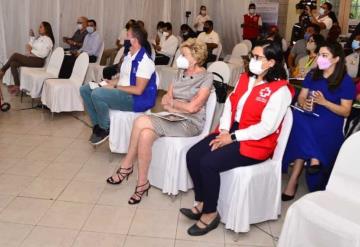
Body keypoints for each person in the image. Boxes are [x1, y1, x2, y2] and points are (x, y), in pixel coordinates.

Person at [181, 40, 294, 236]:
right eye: (252, 56)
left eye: (258, 57)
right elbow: (230, 106)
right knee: (193, 155)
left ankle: (210, 214)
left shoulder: (280, 91)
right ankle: (201, 202)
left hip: (256, 141)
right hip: (232, 131)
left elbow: (267, 128)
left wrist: (232, 137)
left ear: (272, 63)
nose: (253, 60)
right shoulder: (245, 79)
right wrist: (224, 130)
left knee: (208, 163)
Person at [106, 38, 213, 205]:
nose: (180, 58)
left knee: (141, 121)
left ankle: (126, 166)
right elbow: (164, 99)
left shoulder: (206, 77)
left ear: (196, 57)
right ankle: (142, 183)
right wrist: (176, 106)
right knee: (145, 135)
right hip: (172, 116)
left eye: (184, 55)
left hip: (190, 123)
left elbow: (193, 109)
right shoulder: (180, 73)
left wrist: (175, 105)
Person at [282, 41, 355, 200]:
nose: (319, 59)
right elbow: (302, 96)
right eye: (319, 55)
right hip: (310, 114)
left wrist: (325, 103)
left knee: (305, 127)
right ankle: (314, 160)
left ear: (335, 59)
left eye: (324, 55)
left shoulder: (345, 81)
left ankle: (294, 179)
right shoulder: (312, 74)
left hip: (330, 119)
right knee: (298, 118)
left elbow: (345, 111)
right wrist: (305, 103)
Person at [80, 23, 157, 145]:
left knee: (97, 94)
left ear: (135, 40)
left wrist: (115, 86)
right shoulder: (129, 56)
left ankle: (105, 128)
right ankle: (97, 126)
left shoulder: (145, 61)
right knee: (85, 89)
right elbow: (124, 77)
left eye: (127, 36)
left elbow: (138, 90)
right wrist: (110, 82)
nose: (124, 39)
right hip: (122, 90)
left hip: (135, 99)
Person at [0, 21, 54, 95]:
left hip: (38, 61)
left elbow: (43, 54)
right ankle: (17, 86)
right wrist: (32, 37)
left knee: (15, 55)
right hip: (33, 59)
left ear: (46, 29)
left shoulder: (48, 40)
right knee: (13, 64)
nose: (39, 28)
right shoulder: (40, 38)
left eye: (41, 27)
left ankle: (2, 71)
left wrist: (31, 50)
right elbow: (31, 46)